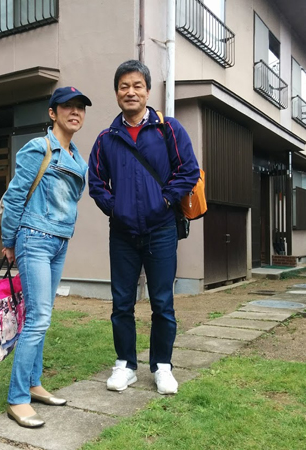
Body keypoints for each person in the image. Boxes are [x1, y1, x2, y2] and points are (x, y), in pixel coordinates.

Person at [88, 60, 199, 395]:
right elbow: (96, 182)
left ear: (148, 91)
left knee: (162, 302)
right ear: (117, 93)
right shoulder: (106, 138)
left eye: (137, 85)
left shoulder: (168, 129)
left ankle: (162, 367)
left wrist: (164, 201)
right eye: (124, 86)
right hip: (122, 234)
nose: (130, 92)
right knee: (122, 303)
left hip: (161, 230)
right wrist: (116, 208)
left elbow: (188, 171)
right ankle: (125, 365)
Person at [1, 86, 91, 427]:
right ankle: (17, 398)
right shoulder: (38, 148)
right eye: (67, 107)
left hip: (59, 242)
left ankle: (34, 384)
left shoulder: (77, 159)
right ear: (53, 113)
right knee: (38, 318)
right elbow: (14, 196)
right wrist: (9, 240)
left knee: (43, 315)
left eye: (80, 107)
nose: (75, 112)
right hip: (34, 238)